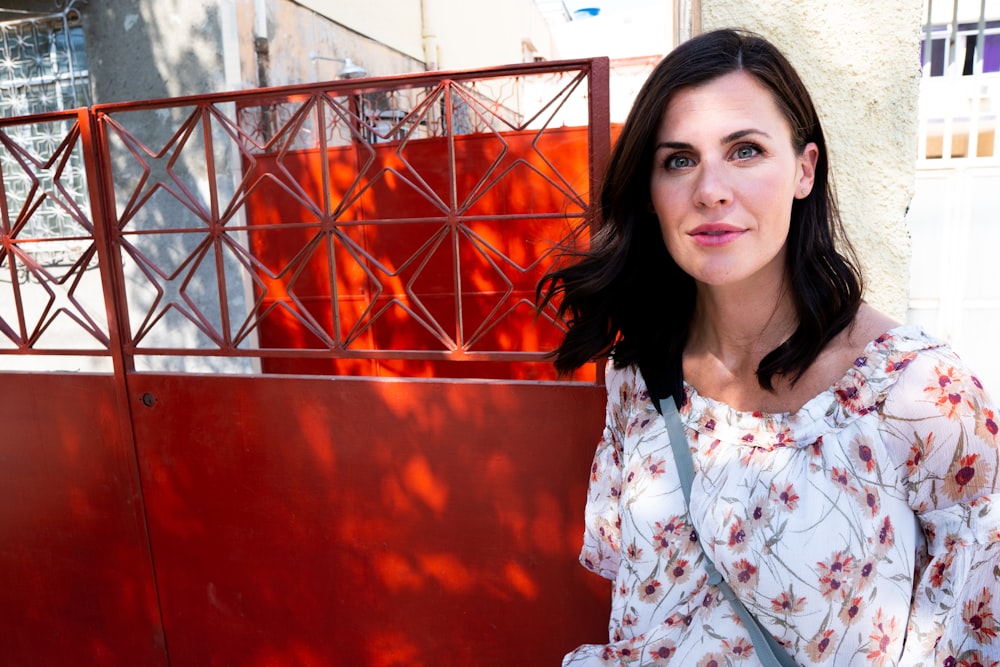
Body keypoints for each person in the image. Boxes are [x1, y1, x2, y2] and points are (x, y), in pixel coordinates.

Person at [537, 28, 1000, 666]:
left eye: (746, 150)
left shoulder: (919, 395)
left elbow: (977, 633)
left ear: (804, 170)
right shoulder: (638, 379)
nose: (710, 190)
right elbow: (640, 608)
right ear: (650, 191)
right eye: (678, 160)